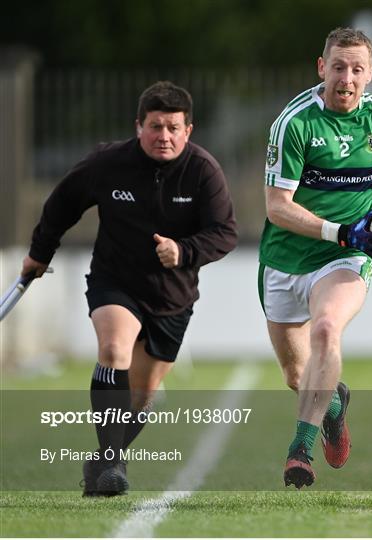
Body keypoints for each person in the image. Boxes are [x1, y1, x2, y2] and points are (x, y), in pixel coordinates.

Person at [22, 81, 238, 496]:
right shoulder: (108, 163)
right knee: (114, 350)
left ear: (188, 130)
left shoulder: (202, 170)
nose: (164, 136)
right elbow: (62, 204)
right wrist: (39, 253)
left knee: (142, 398)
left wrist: (185, 250)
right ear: (138, 126)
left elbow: (225, 232)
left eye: (174, 127)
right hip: (114, 281)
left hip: (173, 296)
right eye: (155, 126)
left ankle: (104, 461)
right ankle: (114, 465)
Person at [258, 27, 372, 489]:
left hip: (348, 257)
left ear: (370, 74)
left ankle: (299, 450)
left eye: (357, 69)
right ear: (322, 68)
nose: (347, 78)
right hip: (286, 257)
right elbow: (277, 207)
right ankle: (334, 406)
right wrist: (340, 230)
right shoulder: (295, 124)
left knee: (326, 328)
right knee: (296, 375)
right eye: (338, 67)